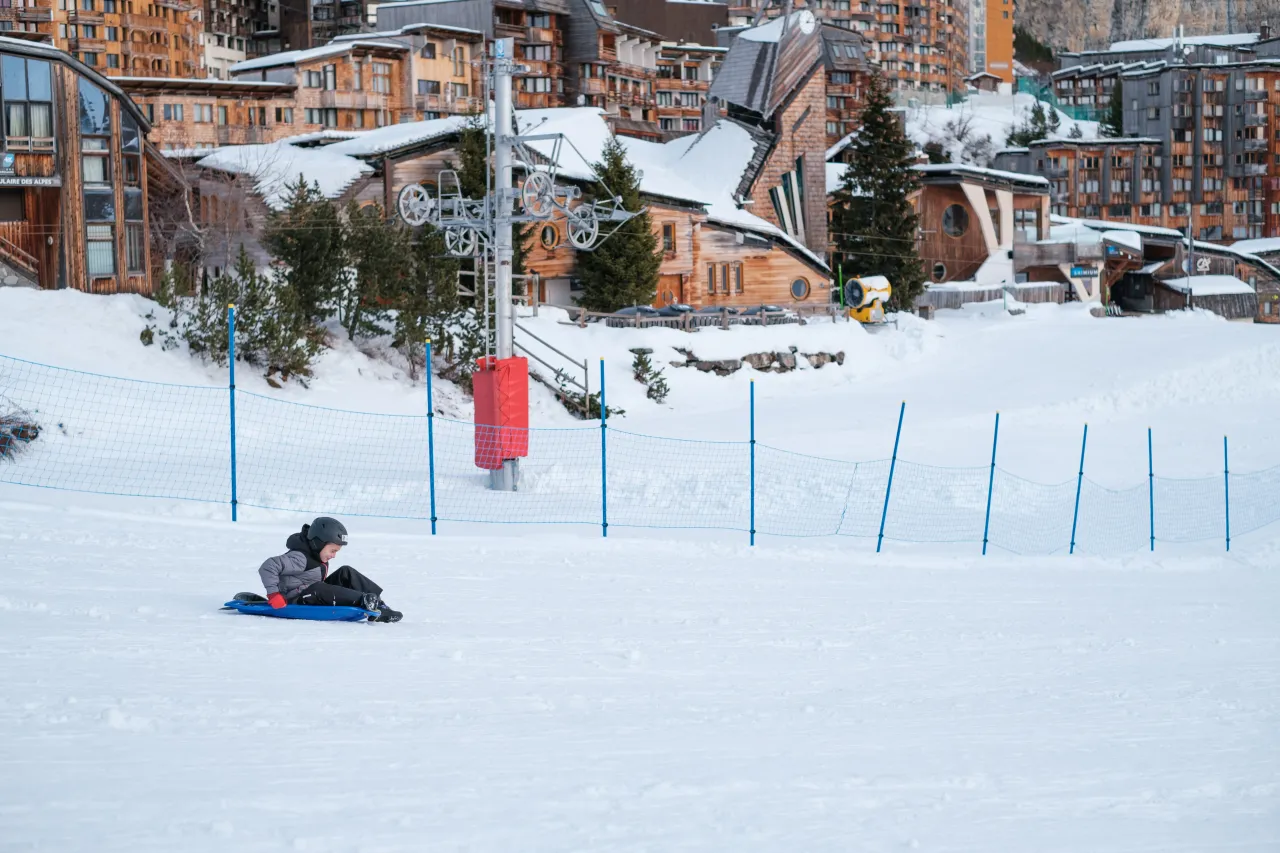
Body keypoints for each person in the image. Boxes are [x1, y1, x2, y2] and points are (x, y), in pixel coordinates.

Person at [257, 517, 402, 623]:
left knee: (346, 572)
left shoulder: (316, 554)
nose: (333, 555)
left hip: (311, 591)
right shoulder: (300, 558)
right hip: (295, 598)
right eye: (332, 550)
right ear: (319, 543)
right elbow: (268, 566)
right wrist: (273, 594)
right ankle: (364, 601)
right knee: (319, 588)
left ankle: (378, 603)